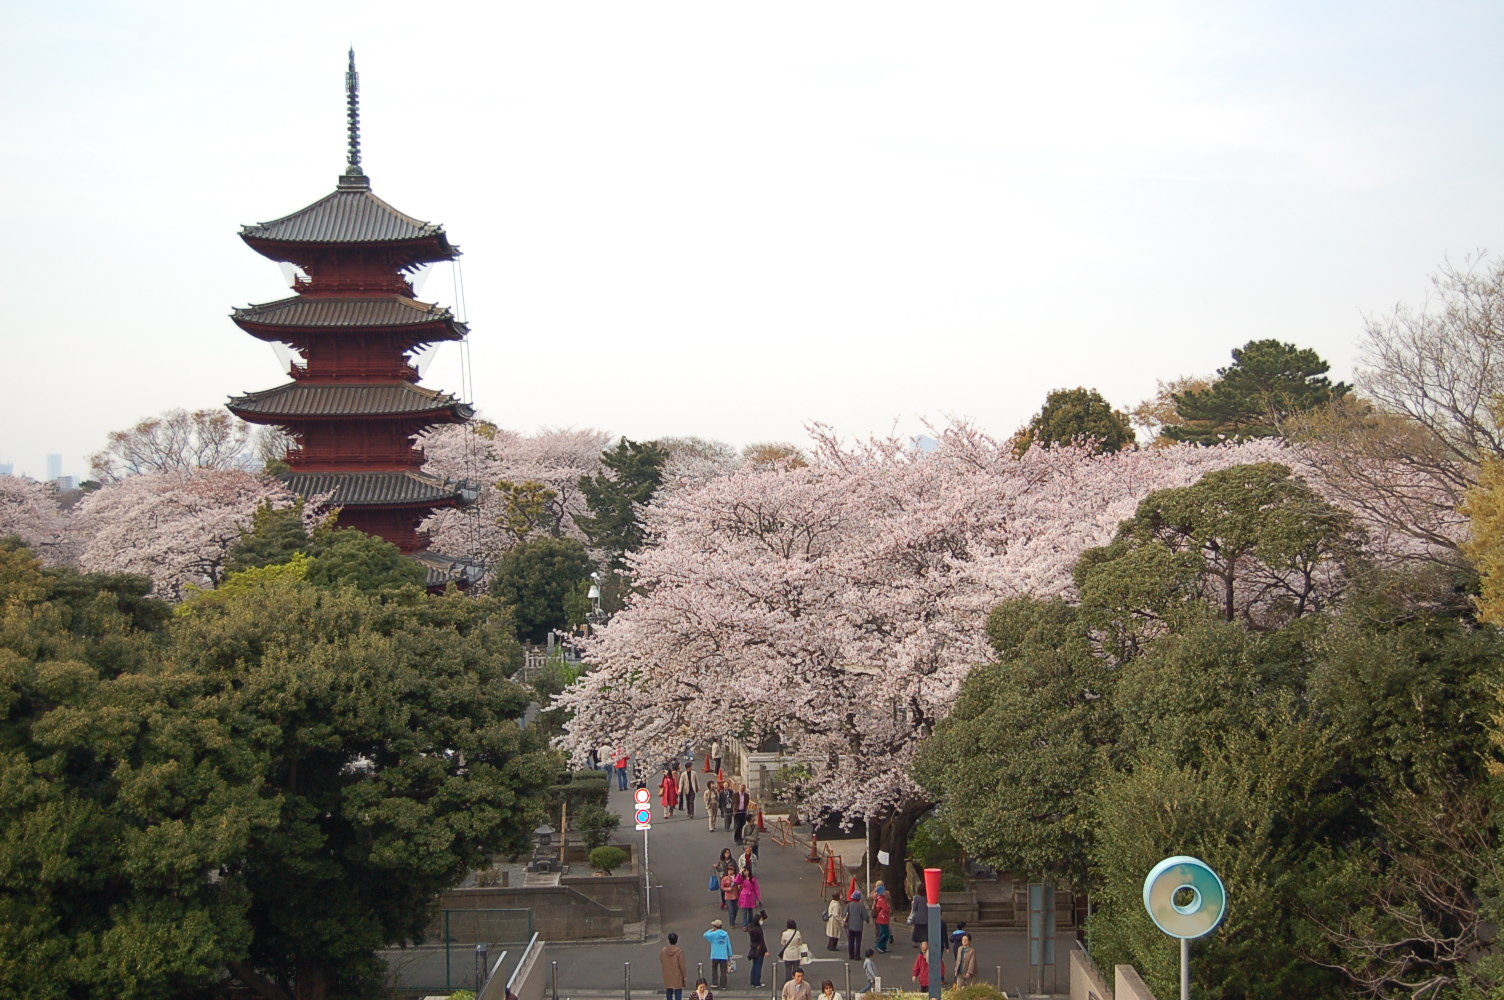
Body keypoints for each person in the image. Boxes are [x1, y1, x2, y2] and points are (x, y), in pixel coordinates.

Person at [704, 918, 733, 989]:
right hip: (723, 955)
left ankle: (715, 983)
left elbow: (705, 935)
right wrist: (730, 954)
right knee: (723, 970)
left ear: (715, 926)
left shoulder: (713, 934)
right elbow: (728, 945)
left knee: (714, 969)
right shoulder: (725, 934)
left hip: (715, 955)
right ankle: (723, 985)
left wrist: (711, 930)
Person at [661, 932, 688, 1000]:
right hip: (677, 975)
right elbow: (682, 965)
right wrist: (684, 976)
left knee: (669, 990)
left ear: (668, 940)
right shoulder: (679, 951)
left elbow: (662, 961)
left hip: (667, 974)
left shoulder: (663, 951)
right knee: (678, 991)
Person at [746, 910, 770, 988]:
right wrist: (765, 951)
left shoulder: (751, 928)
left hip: (753, 948)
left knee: (754, 966)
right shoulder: (758, 930)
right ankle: (757, 983)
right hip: (759, 949)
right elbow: (762, 941)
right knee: (758, 967)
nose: (762, 921)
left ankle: (753, 982)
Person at [845, 889, 870, 960]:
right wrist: (867, 920)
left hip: (850, 926)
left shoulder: (849, 905)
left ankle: (851, 955)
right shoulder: (861, 906)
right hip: (858, 926)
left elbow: (845, 914)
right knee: (858, 941)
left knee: (851, 941)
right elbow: (865, 916)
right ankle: (857, 956)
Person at [872, 884, 893, 953]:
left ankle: (883, 946)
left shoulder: (881, 899)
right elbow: (886, 908)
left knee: (883, 932)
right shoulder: (882, 900)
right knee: (885, 933)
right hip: (883, 918)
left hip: (883, 918)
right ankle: (880, 945)